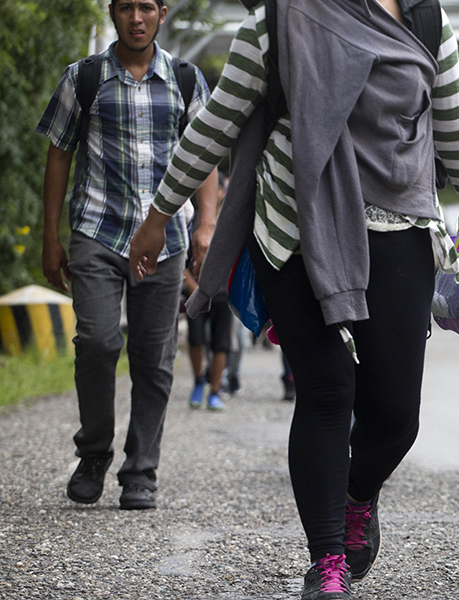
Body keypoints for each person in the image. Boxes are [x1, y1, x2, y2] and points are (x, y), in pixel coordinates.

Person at [127, 0, 459, 598]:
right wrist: (159, 214)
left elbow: (453, 122)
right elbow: (216, 123)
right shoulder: (278, 20)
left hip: (400, 223)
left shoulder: (427, 20)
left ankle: (356, 497)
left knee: (395, 415)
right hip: (298, 226)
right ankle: (327, 560)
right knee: (326, 392)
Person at [37, 0, 217, 511]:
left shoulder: (185, 80)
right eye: (125, 8)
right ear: (112, 14)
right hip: (98, 230)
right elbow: (59, 154)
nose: (136, 18)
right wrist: (50, 237)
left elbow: (203, 155)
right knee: (97, 340)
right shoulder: (84, 78)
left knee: (154, 358)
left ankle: (141, 470)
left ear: (162, 13)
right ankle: (94, 452)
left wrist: (206, 224)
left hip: (166, 239)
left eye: (146, 7)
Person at [183, 266, 231, 411]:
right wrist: (190, 283)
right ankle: (198, 382)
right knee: (195, 339)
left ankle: (215, 392)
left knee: (221, 344)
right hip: (196, 289)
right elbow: (181, 258)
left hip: (223, 292)